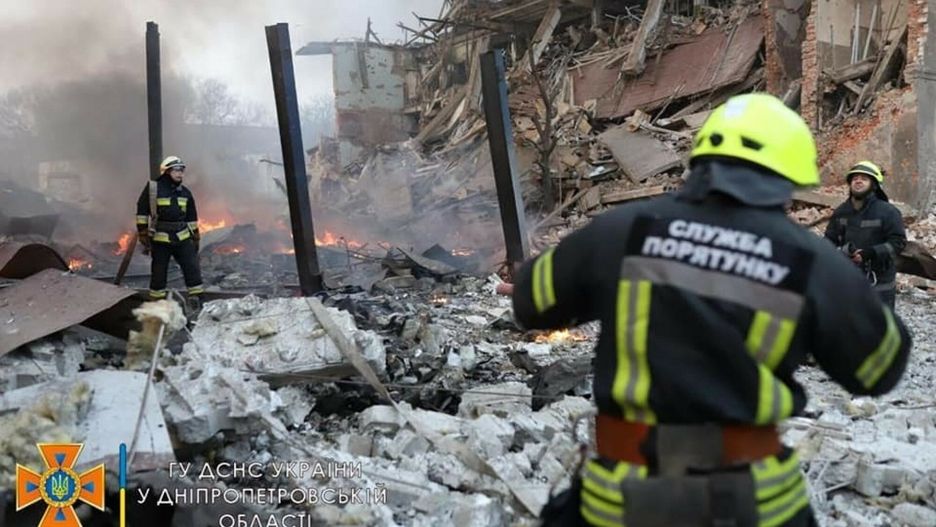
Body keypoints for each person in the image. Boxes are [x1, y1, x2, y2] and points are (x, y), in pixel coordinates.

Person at [501, 94, 912, 526]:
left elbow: (531, 304)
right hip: (756, 506)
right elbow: (879, 369)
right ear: (788, 179)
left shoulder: (622, 230)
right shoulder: (811, 263)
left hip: (624, 502)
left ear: (701, 160)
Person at [823, 161, 906, 308]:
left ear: (874, 185)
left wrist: (870, 253)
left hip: (879, 280)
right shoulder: (842, 211)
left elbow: (898, 242)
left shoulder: (888, 212)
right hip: (848, 277)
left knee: (879, 324)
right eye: (855, 178)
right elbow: (829, 240)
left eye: (864, 178)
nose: (858, 181)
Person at [136, 155, 204, 310]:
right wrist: (142, 233)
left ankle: (198, 303)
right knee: (159, 275)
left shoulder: (185, 193)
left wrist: (196, 237)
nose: (180, 174)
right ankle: (157, 308)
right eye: (176, 170)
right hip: (161, 240)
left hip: (182, 238)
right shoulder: (153, 189)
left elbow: (192, 217)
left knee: (192, 270)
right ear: (166, 172)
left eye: (182, 171)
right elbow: (141, 212)